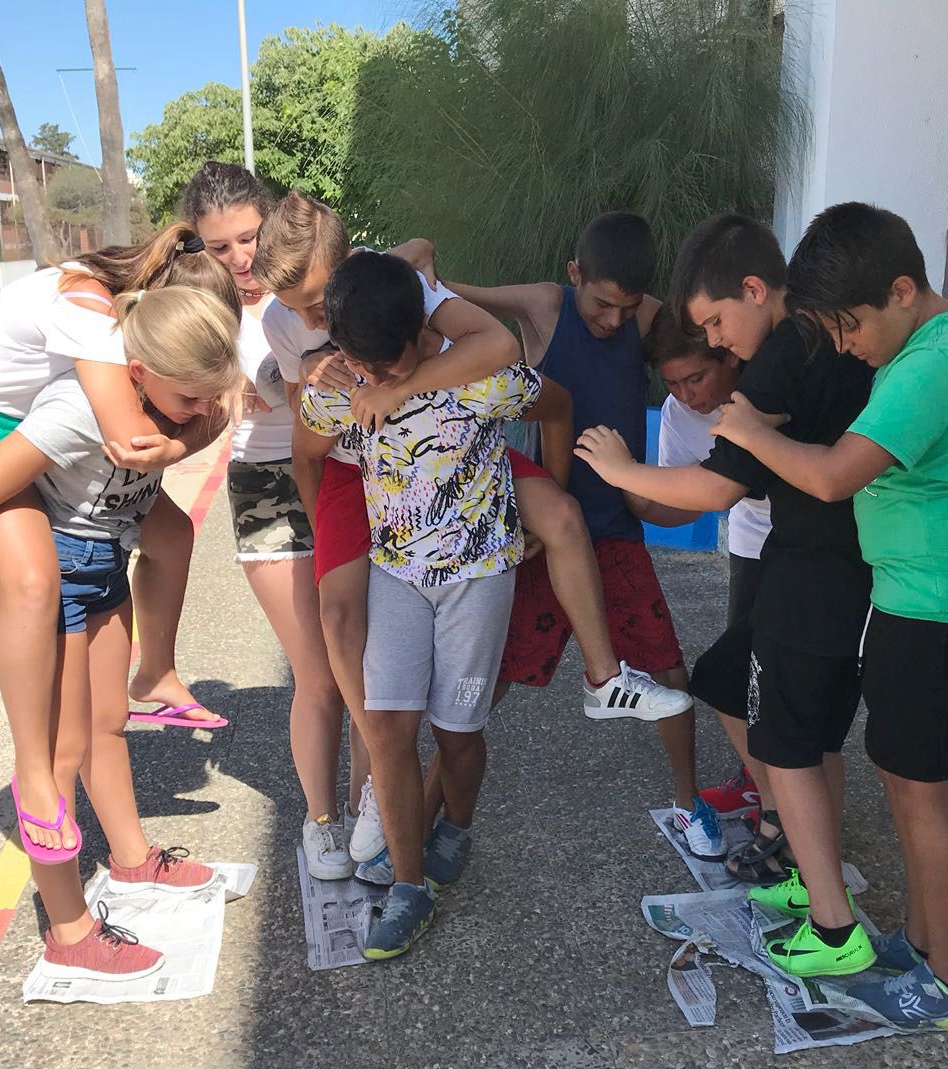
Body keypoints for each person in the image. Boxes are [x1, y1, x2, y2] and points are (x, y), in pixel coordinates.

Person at [253, 194, 690, 879]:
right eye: (303, 314)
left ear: (348, 268)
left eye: (317, 307)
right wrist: (325, 524)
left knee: (561, 520)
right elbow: (309, 442)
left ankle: (603, 678)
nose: (310, 322)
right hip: (352, 466)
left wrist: (405, 387)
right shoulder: (291, 323)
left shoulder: (403, 293)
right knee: (342, 618)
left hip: (445, 437)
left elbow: (502, 351)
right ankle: (372, 792)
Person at [709, 201, 948, 1030]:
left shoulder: (930, 363)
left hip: (943, 609)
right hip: (919, 602)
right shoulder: (936, 339)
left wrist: (749, 430)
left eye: (851, 327)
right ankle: (920, 950)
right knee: (906, 784)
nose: (846, 346)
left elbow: (833, 476)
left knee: (926, 801)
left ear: (902, 290)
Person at [577, 213, 877, 978]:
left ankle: (834, 926)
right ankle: (815, 876)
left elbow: (717, 486)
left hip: (816, 570)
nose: (715, 341)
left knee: (790, 745)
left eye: (716, 323)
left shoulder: (779, 356)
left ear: (753, 289)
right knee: (760, 706)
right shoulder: (816, 337)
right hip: (823, 560)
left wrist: (621, 471)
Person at [0, 224, 239, 858]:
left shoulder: (142, 346)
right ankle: (34, 777)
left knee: (171, 531)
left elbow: (202, 413)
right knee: (33, 588)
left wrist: (181, 436)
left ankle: (158, 674)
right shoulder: (93, 322)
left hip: (41, 455)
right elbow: (128, 442)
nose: (201, 403)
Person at [0, 285, 241, 978]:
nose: (199, 413)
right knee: (56, 753)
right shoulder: (76, 412)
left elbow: (218, 411)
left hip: (107, 558)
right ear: (138, 371)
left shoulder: (165, 399)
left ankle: (131, 862)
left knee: (108, 721)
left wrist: (188, 424)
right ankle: (69, 928)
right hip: (61, 574)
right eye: (189, 397)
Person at [300, 252, 545, 959]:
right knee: (386, 730)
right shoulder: (339, 387)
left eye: (390, 366)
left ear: (423, 334)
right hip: (396, 577)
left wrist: (545, 510)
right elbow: (309, 445)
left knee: (459, 734)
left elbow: (524, 368)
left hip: (477, 580)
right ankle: (410, 888)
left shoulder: (478, 382)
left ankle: (456, 828)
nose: (376, 381)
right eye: (360, 365)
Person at [444, 213, 708, 856]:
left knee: (669, 672)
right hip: (541, 530)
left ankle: (688, 803)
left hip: (613, 532)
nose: (614, 320)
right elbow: (450, 297)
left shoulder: (644, 316)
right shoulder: (544, 306)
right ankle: (433, 810)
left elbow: (708, 329)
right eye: (601, 304)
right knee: (487, 681)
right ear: (574, 275)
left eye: (627, 307)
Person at [181, 162, 367, 882]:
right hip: (266, 483)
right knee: (318, 672)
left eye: (247, 239)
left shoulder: (313, 283)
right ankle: (324, 821)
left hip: (350, 472)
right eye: (218, 247)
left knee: (365, 668)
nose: (238, 261)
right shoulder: (204, 306)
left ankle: (371, 814)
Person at [633, 307, 771, 818]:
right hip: (751, 539)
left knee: (757, 676)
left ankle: (781, 795)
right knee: (744, 677)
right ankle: (758, 781)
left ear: (729, 355)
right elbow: (685, 499)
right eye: (672, 384)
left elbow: (714, 491)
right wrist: (637, 500)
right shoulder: (677, 414)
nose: (688, 396)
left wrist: (630, 476)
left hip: (810, 542)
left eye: (696, 378)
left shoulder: (768, 387)